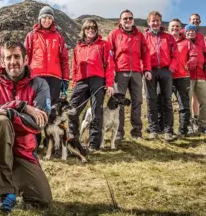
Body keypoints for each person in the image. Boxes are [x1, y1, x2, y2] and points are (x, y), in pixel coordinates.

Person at [0, 41, 52, 212]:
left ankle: (1, 183)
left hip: (23, 152)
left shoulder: (40, 85)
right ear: (2, 62)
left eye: (17, 56)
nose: (13, 61)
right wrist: (20, 106)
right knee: (0, 122)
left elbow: (39, 123)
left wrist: (8, 111)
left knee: (43, 200)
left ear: (25, 60)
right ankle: (4, 192)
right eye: (8, 57)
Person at [24, 5, 70, 147]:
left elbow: (64, 59)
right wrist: (26, 75)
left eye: (49, 18)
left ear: (52, 20)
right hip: (36, 76)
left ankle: (51, 142)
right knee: (36, 107)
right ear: (40, 19)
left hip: (55, 77)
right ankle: (34, 141)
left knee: (53, 110)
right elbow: (27, 57)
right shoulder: (31, 35)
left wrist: (65, 78)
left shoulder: (58, 37)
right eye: (44, 17)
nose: (47, 20)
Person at [68, 19, 114, 151]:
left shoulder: (104, 45)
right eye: (88, 28)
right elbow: (75, 67)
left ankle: (94, 143)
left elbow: (110, 64)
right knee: (72, 110)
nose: (90, 30)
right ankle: (72, 140)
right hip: (81, 81)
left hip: (98, 80)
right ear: (84, 30)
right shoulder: (78, 47)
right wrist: (75, 83)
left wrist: (109, 83)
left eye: (93, 28)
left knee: (96, 111)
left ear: (96, 29)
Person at [108, 9, 151, 140]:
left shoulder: (140, 35)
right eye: (125, 18)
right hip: (120, 72)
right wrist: (112, 69)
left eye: (130, 18)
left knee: (137, 101)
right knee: (118, 103)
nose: (127, 20)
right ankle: (119, 133)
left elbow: (146, 53)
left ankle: (137, 132)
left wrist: (147, 69)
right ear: (120, 21)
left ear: (133, 20)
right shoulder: (114, 34)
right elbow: (109, 53)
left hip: (137, 72)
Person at [144, 11, 178, 141]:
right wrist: (145, 69)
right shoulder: (144, 37)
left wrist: (171, 69)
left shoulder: (168, 37)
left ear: (160, 22)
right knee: (151, 100)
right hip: (150, 71)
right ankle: (153, 130)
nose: (155, 23)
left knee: (167, 101)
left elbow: (175, 55)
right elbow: (142, 55)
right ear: (149, 22)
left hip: (165, 71)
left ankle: (168, 130)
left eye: (157, 20)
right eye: (153, 20)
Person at [169, 19, 197, 136]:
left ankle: (183, 130)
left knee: (184, 105)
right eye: (173, 26)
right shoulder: (165, 40)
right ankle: (167, 130)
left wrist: (188, 65)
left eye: (177, 26)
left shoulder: (187, 42)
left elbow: (194, 56)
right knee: (165, 104)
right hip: (167, 77)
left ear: (180, 28)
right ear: (169, 28)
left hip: (182, 77)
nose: (175, 28)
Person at [185, 24, 206, 134]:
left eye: (193, 31)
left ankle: (203, 125)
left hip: (200, 76)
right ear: (185, 33)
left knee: (205, 100)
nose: (191, 33)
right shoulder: (183, 44)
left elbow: (204, 60)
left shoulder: (199, 45)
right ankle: (187, 125)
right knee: (186, 102)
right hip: (187, 76)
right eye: (188, 31)